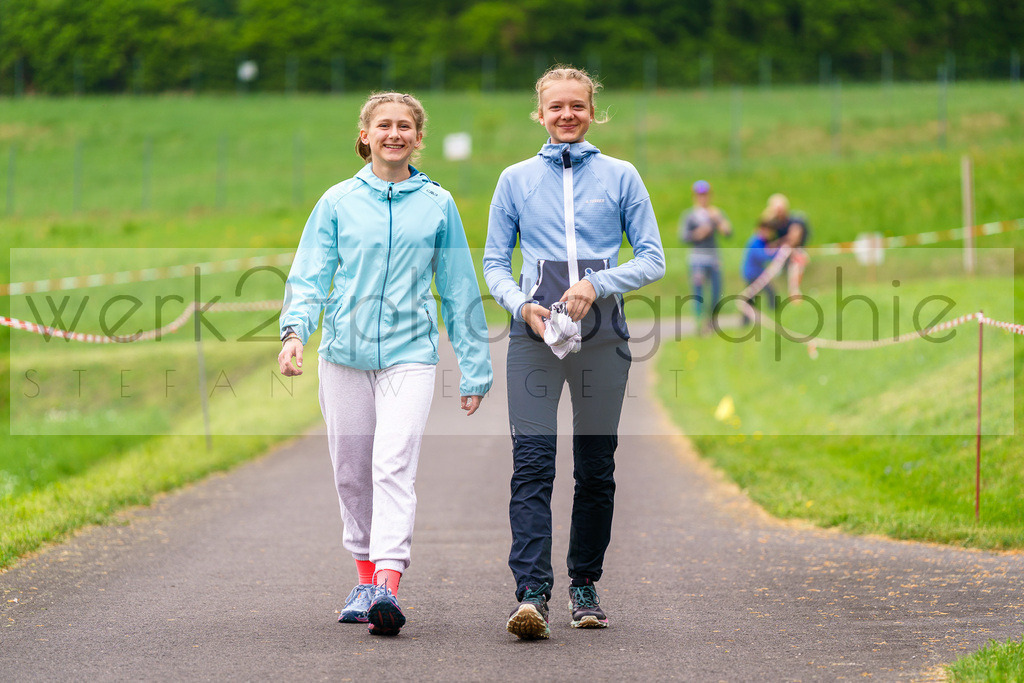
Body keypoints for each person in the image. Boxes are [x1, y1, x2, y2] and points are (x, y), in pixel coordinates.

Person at [277, 92, 492, 637]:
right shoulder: (337, 202)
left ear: (418, 137)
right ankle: (364, 578)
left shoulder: (438, 204)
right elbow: (310, 274)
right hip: (342, 356)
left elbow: (458, 288)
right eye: (384, 125)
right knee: (351, 472)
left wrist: (474, 367)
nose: (394, 134)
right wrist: (294, 332)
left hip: (410, 354)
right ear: (365, 135)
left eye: (404, 126)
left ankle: (387, 587)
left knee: (392, 464)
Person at [483, 66, 665, 640]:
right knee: (533, 464)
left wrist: (597, 283)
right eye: (556, 106)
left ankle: (584, 584)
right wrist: (521, 305)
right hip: (534, 340)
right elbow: (494, 263)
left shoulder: (621, 176)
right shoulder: (515, 179)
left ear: (593, 112)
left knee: (595, 467)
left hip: (603, 337)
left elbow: (653, 258)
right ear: (539, 113)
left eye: (577, 106)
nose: (567, 115)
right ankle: (531, 594)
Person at [679, 179, 731, 334]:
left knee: (716, 291)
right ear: (695, 196)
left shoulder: (715, 212)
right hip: (697, 259)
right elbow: (684, 237)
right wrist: (700, 232)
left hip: (713, 258)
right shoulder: (690, 216)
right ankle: (699, 323)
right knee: (698, 292)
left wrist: (717, 219)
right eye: (700, 195)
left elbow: (727, 232)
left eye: (705, 194)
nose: (703, 198)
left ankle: (711, 321)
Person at [761, 193, 810, 298]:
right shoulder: (775, 222)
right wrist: (768, 215)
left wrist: (776, 244)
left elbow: (793, 240)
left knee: (790, 253)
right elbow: (761, 230)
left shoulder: (795, 220)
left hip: (795, 251)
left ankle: (794, 290)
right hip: (781, 252)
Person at [740, 219, 779, 324]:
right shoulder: (755, 242)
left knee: (752, 297)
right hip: (752, 274)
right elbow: (762, 256)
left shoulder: (762, 241)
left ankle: (745, 321)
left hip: (757, 273)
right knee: (765, 293)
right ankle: (773, 312)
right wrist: (775, 251)